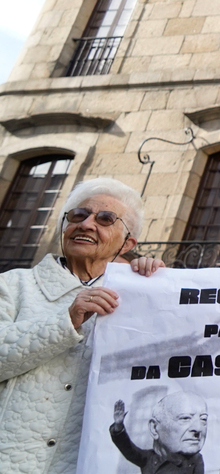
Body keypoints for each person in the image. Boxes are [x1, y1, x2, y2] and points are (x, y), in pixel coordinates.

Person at [0, 177, 164, 474]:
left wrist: (163, 291)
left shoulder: (137, 297)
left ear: (128, 243)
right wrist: (67, 321)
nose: (87, 224)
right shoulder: (12, 285)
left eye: (105, 219)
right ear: (64, 227)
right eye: (78, 215)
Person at [110, 392, 208, 474]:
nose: (198, 428)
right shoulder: (149, 459)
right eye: (185, 418)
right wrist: (118, 427)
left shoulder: (195, 460)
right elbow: (127, 449)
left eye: (203, 419)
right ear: (154, 428)